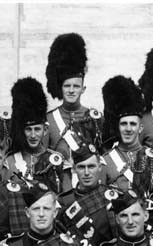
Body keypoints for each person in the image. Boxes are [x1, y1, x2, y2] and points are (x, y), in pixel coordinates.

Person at [100, 75, 153, 196]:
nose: (128, 129)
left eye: (133, 124)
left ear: (140, 128)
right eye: (124, 124)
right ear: (117, 127)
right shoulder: (106, 160)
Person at [44, 33, 103, 162]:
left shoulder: (95, 118)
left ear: (83, 89)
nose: (71, 91)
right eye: (67, 86)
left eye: (76, 86)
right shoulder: (48, 119)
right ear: (61, 88)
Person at [5, 77, 66, 192]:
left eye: (37, 129)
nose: (33, 135)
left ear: (46, 129)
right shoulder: (9, 160)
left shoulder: (56, 159)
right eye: (28, 129)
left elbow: (64, 196)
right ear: (22, 130)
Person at [57, 142, 117, 246]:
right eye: (81, 167)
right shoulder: (65, 203)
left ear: (99, 167)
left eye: (91, 166)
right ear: (73, 169)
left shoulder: (114, 196)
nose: (86, 173)